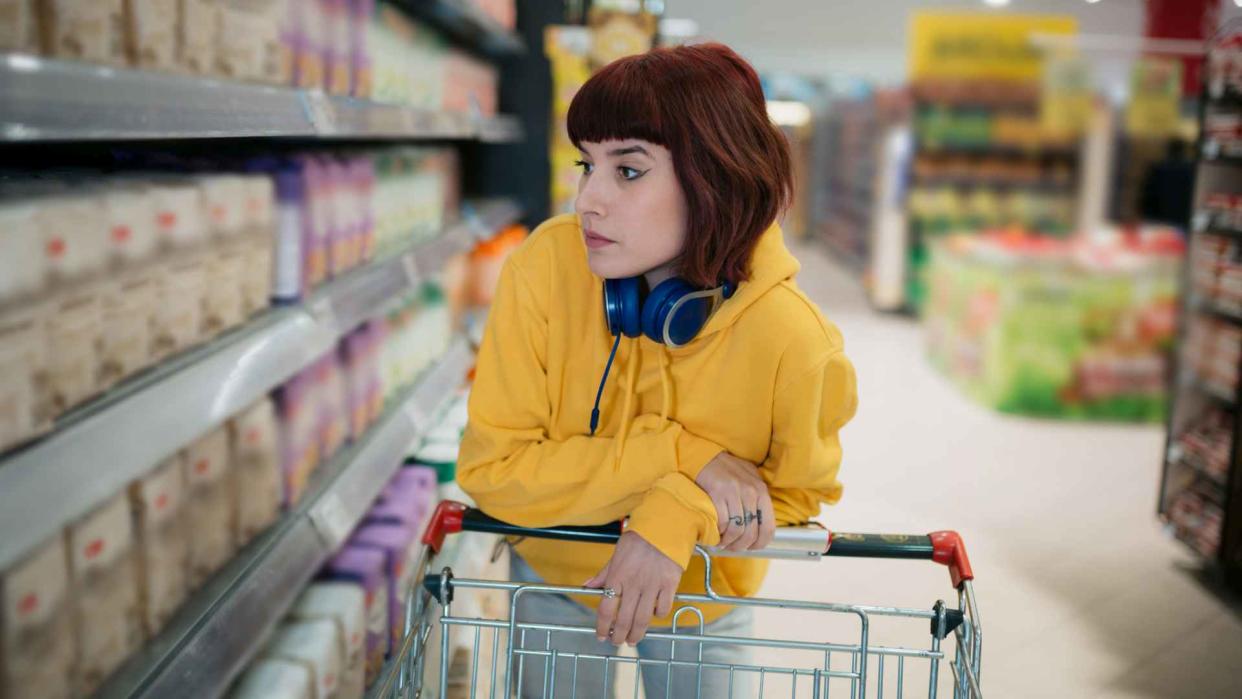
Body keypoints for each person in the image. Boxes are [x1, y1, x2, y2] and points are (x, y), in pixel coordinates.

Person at [456, 42, 858, 698]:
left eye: (630, 171)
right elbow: (492, 471)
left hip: (705, 595)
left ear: (715, 175)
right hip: (559, 580)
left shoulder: (794, 340)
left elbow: (789, 499)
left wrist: (675, 513)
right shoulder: (547, 268)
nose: (589, 199)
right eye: (588, 165)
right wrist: (681, 456)